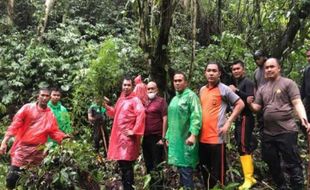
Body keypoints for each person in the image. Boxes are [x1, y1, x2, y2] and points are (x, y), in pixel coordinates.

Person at [247, 58, 310, 189]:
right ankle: (282, 186)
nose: (269, 69)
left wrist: (304, 118)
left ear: (279, 68)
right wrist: (249, 104)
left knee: (292, 162)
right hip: (269, 132)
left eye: (272, 67)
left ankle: (297, 187)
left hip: (286, 131)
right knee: (271, 161)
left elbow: (297, 102)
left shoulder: (288, 83)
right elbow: (257, 108)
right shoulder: (262, 88)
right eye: (267, 68)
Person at [0, 88, 69, 189]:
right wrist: (4, 142)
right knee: (11, 179)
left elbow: (54, 131)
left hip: (38, 151)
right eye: (42, 95)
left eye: (47, 96)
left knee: (34, 181)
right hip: (22, 149)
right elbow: (14, 126)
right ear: (38, 96)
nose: (44, 98)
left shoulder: (50, 114)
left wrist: (63, 137)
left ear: (49, 98)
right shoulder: (27, 108)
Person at [199, 62, 244, 188]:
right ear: (205, 73)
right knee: (205, 171)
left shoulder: (224, 89)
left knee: (218, 175)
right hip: (202, 139)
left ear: (219, 73)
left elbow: (240, 104)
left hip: (217, 139)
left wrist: (228, 123)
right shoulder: (202, 90)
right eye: (209, 70)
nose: (211, 73)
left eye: (214, 71)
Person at [104, 76, 145, 190]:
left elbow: (141, 115)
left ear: (132, 86)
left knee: (127, 165)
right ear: (122, 86)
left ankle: (129, 187)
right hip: (119, 138)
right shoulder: (121, 99)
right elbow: (114, 113)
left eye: (128, 85)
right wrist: (106, 106)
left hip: (128, 139)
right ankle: (127, 186)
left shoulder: (135, 100)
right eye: (124, 85)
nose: (126, 87)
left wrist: (134, 130)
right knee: (122, 164)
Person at [165, 72, 202, 189]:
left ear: (186, 82)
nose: (177, 83)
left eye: (180, 80)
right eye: (175, 81)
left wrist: (193, 135)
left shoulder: (191, 97)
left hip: (186, 140)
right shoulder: (174, 99)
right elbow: (171, 120)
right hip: (176, 141)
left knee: (186, 170)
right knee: (181, 170)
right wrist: (168, 136)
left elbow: (196, 116)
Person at [229, 60, 257, 189]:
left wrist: (237, 90)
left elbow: (249, 99)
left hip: (246, 117)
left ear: (243, 69)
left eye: (238, 68)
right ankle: (249, 176)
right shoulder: (236, 83)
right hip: (238, 118)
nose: (235, 71)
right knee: (240, 145)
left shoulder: (248, 82)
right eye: (233, 69)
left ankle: (249, 179)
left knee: (244, 145)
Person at [142, 81, 167, 173]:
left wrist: (163, 138)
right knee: (148, 163)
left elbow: (165, 119)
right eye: (148, 89)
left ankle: (158, 186)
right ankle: (151, 184)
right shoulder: (145, 103)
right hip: (146, 137)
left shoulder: (161, 101)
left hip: (157, 137)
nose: (150, 90)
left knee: (157, 163)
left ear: (157, 90)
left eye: (153, 88)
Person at [301, 49, 310, 124]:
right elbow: (303, 89)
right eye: (307, 56)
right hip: (308, 103)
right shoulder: (306, 71)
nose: (309, 58)